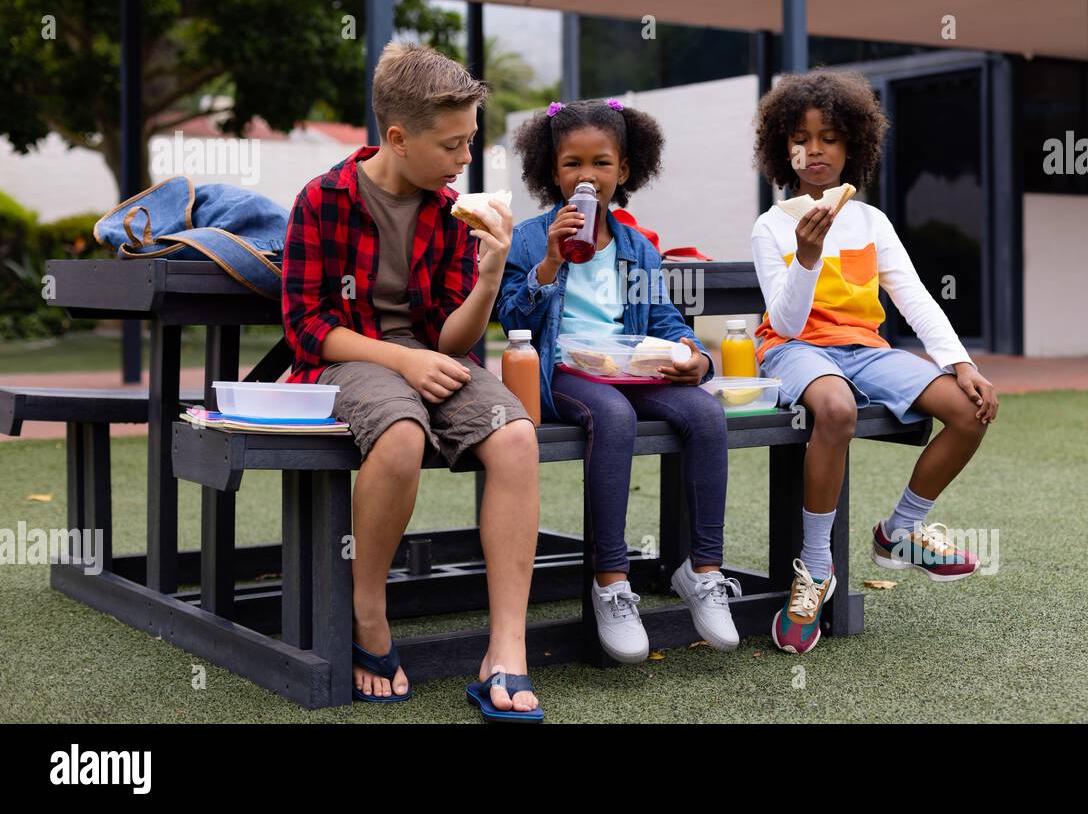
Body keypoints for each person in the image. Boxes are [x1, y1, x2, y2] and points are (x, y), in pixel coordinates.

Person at [282, 41, 542, 719]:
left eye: (469, 143)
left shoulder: (452, 212)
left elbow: (453, 339)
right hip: (346, 364)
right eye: (452, 146)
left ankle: (505, 649)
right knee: (398, 436)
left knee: (515, 436)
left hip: (434, 361)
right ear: (397, 138)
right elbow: (306, 327)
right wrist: (402, 359)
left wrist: (488, 279)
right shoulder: (323, 200)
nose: (464, 161)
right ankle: (370, 615)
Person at [750, 70, 999, 655]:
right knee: (834, 410)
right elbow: (785, 324)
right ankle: (815, 570)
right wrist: (807, 256)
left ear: (853, 146)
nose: (814, 150)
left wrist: (959, 362)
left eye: (830, 137)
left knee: (970, 410)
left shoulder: (870, 221)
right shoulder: (772, 225)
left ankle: (901, 531)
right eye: (801, 138)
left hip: (864, 350)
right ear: (781, 148)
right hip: (793, 351)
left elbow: (912, 296)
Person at [498, 98, 740, 664]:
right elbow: (511, 320)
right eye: (572, 164)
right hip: (559, 372)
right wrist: (551, 264)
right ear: (551, 173)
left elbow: (662, 322)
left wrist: (694, 356)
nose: (587, 177)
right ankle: (611, 580)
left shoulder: (638, 250)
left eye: (601, 164)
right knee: (612, 415)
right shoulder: (532, 239)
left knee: (705, 411)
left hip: (626, 369)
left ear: (624, 171)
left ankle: (702, 570)